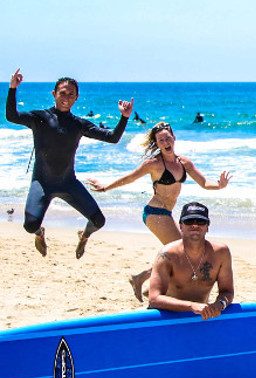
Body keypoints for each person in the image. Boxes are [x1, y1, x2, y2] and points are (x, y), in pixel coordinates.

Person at [87, 121, 232, 300]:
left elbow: (204, 183)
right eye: (161, 140)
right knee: (183, 251)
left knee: (178, 253)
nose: (165, 142)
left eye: (167, 138)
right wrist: (105, 187)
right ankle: (145, 281)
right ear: (157, 143)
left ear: (174, 138)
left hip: (166, 213)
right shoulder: (154, 164)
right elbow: (130, 177)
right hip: (154, 212)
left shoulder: (184, 162)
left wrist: (219, 185)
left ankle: (142, 280)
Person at [7, 69, 134, 258]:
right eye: (62, 93)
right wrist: (12, 89)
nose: (66, 97)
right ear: (54, 94)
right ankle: (39, 233)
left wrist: (124, 117)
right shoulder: (40, 118)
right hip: (42, 183)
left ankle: (84, 236)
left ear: (77, 97)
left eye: (71, 94)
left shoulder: (79, 124)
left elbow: (113, 138)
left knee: (98, 221)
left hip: (68, 183)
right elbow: (12, 116)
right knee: (30, 225)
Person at [147, 202, 234, 320]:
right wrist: (191, 306)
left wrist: (219, 305)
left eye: (200, 221)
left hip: (200, 316)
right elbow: (154, 299)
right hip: (169, 316)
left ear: (207, 226)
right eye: (189, 221)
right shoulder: (167, 255)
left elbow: (227, 292)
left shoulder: (221, 253)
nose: (195, 225)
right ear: (181, 226)